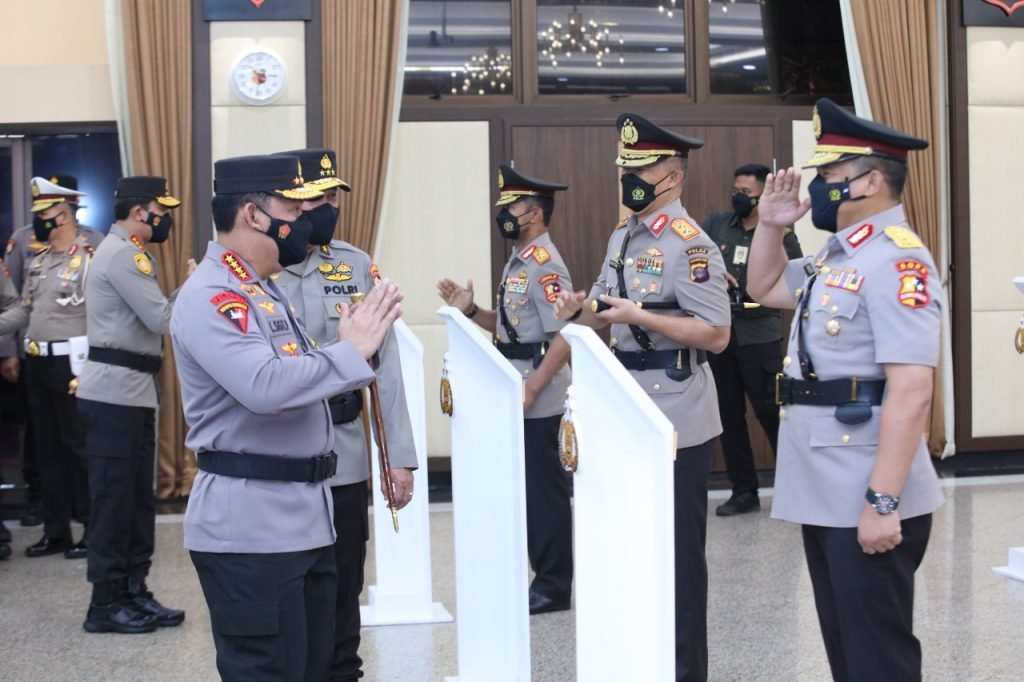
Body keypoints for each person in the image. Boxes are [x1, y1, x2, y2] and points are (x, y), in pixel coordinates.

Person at [171, 154, 403, 681]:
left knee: (317, 666)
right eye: (293, 209)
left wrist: (348, 352)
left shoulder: (262, 288)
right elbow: (265, 386)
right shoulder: (214, 294)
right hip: (252, 530)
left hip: (303, 521)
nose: (306, 220)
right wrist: (350, 351)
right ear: (254, 215)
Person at [745, 98, 944, 681]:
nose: (819, 187)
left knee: (877, 656)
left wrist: (883, 502)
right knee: (846, 648)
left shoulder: (899, 263)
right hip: (827, 481)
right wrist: (772, 225)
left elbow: (913, 391)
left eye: (830, 174)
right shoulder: (839, 254)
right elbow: (764, 286)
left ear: (871, 181)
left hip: (867, 485)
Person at [553, 113, 730, 681]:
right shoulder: (622, 235)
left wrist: (641, 316)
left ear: (672, 178)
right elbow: (606, 308)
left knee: (677, 558)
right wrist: (578, 311)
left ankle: (684, 672)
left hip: (676, 412)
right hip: (625, 410)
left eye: (640, 171)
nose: (628, 179)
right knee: (630, 547)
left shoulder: (692, 245)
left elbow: (716, 334)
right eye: (624, 169)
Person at [274, 147, 416, 680]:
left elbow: (385, 368)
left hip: (345, 451)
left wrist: (396, 457)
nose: (328, 208)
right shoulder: (261, 268)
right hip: (283, 452)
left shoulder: (355, 264)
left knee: (343, 583)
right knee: (290, 590)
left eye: (333, 197)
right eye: (317, 198)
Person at [437, 163, 575, 615]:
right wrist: (470, 310)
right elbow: (512, 328)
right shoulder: (518, 261)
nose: (504, 214)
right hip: (515, 391)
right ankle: (537, 575)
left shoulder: (545, 265)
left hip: (539, 398)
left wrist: (533, 388)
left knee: (544, 495)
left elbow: (564, 336)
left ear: (535, 214)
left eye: (512, 207)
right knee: (524, 492)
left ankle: (554, 586)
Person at [76, 175, 190, 634]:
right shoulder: (124, 255)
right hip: (113, 395)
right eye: (160, 211)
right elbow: (162, 318)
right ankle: (105, 603)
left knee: (136, 500)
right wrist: (194, 287)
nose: (164, 220)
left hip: (133, 390)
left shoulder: (131, 252)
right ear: (140, 211)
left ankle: (133, 590)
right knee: (114, 500)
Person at [0, 176, 101, 559]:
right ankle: (56, 531)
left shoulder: (91, 258)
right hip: (38, 362)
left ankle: (91, 529)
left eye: (45, 213)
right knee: (47, 450)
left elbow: (103, 316)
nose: (39, 221)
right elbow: (23, 312)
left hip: (73, 364)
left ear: (64, 214)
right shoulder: (39, 261)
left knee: (78, 449)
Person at [703, 164, 803, 516]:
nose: (738, 198)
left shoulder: (781, 235)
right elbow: (693, 257)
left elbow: (793, 285)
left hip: (760, 337)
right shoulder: (718, 224)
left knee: (771, 414)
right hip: (720, 336)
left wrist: (747, 298)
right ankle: (743, 491)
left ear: (762, 196)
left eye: (745, 192)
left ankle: (796, 488)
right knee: (728, 416)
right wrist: (715, 273)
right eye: (736, 190)